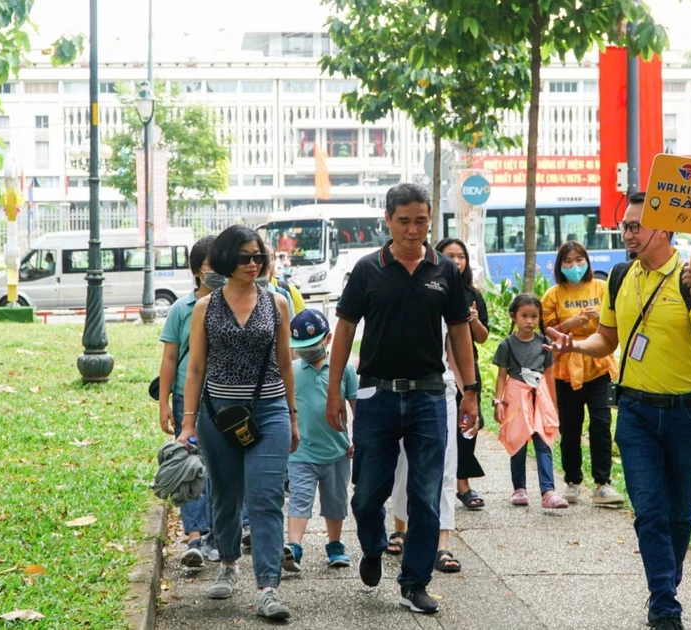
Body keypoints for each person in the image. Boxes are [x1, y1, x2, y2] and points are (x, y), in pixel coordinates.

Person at [545, 192, 691, 630]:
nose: (626, 233)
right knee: (649, 509)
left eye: (634, 226)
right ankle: (664, 602)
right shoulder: (622, 276)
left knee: (680, 511)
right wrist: (576, 345)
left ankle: (666, 582)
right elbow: (607, 339)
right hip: (636, 413)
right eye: (624, 226)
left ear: (662, 229)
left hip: (687, 413)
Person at [325, 183, 479, 615]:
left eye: (421, 221)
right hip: (377, 397)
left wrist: (471, 392)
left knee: (425, 495)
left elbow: (461, 333)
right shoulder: (367, 269)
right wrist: (335, 390)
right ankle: (372, 546)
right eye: (404, 221)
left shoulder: (444, 271)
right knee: (367, 494)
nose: (413, 230)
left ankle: (414, 581)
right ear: (388, 221)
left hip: (430, 395)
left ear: (430, 220)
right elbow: (344, 332)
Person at [176, 225, 300, 621]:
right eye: (245, 256)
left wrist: (294, 416)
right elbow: (195, 368)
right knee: (225, 496)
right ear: (228, 259)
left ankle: (267, 587)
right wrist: (188, 423)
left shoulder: (277, 303)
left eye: (259, 256)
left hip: (269, 411)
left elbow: (285, 363)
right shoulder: (205, 308)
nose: (253, 263)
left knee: (265, 498)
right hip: (218, 416)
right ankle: (228, 563)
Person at [540, 241, 621, 506]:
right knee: (571, 427)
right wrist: (569, 324)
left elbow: (617, 320)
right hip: (566, 369)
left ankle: (602, 484)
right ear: (559, 265)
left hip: (598, 364)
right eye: (568, 261)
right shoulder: (552, 295)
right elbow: (546, 332)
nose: (575, 266)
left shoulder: (601, 288)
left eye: (579, 260)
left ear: (587, 261)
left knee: (601, 422)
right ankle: (573, 481)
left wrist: (599, 316)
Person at [158, 235, 220, 568]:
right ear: (197, 271)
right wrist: (164, 403)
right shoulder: (180, 310)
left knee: (222, 467)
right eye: (212, 267)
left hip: (225, 398)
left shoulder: (231, 304)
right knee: (191, 467)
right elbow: (170, 358)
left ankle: (221, 536)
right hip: (187, 399)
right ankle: (195, 537)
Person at [386, 317, 466, 573]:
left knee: (445, 467)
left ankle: (441, 543)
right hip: (399, 390)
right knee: (403, 465)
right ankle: (401, 526)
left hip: (441, 390)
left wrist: (470, 396)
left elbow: (454, 353)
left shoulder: (445, 291)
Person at [282, 309, 357, 573]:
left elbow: (355, 404)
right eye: (300, 347)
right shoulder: (290, 371)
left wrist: (357, 438)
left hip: (337, 450)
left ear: (328, 338)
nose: (306, 352)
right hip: (300, 453)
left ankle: (335, 544)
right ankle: (293, 547)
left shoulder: (344, 369)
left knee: (335, 501)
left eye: (312, 345)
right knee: (299, 498)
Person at [494, 294, 566, 509]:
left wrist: (553, 404)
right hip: (516, 397)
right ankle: (519, 488)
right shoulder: (506, 345)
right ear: (513, 316)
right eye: (524, 316)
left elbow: (550, 374)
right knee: (518, 443)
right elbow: (501, 375)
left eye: (534, 316)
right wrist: (499, 401)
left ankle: (548, 491)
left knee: (543, 442)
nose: (529, 321)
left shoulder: (545, 343)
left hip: (540, 396)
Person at [434, 238, 490, 510]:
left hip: (468, 371)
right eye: (450, 256)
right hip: (437, 368)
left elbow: (482, 337)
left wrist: (473, 319)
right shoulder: (431, 289)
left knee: (467, 427)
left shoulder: (472, 294)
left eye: (461, 256)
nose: (456, 261)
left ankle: (463, 485)